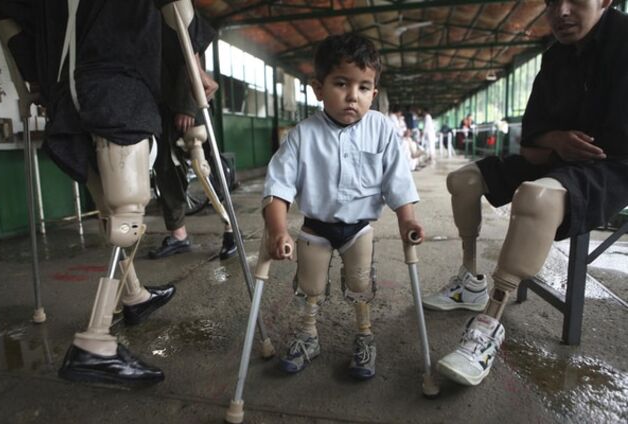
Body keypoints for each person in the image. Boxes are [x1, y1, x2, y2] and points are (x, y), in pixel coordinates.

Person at [0, 0, 214, 386]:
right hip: (119, 82)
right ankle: (94, 343)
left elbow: (5, 16)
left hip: (66, 91)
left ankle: (135, 296)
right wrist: (195, 68)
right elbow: (178, 11)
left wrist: (31, 80)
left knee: (111, 211)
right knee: (128, 213)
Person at [423, 0, 628, 387]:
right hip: (556, 157)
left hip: (611, 166)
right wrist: (556, 139)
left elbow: (614, 143)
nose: (561, 11)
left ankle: (488, 327)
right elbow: (532, 137)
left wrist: (557, 144)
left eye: (574, 0)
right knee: (463, 179)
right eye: (552, 3)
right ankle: (470, 279)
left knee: (535, 197)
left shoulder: (624, 43)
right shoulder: (554, 58)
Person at [262, 33, 424, 380]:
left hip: (358, 228)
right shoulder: (303, 135)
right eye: (341, 83)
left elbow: (398, 180)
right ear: (318, 88)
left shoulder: (381, 130)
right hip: (314, 227)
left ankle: (365, 336)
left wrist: (407, 219)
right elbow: (277, 188)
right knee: (310, 285)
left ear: (374, 94)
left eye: (364, 88)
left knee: (360, 283)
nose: (353, 96)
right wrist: (278, 230)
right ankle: (308, 335)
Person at [149, 50, 238, 261]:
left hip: (191, 100)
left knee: (206, 164)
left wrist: (187, 106)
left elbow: (190, 53)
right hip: (160, 107)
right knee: (166, 170)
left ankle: (231, 228)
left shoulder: (173, 17)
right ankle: (178, 235)